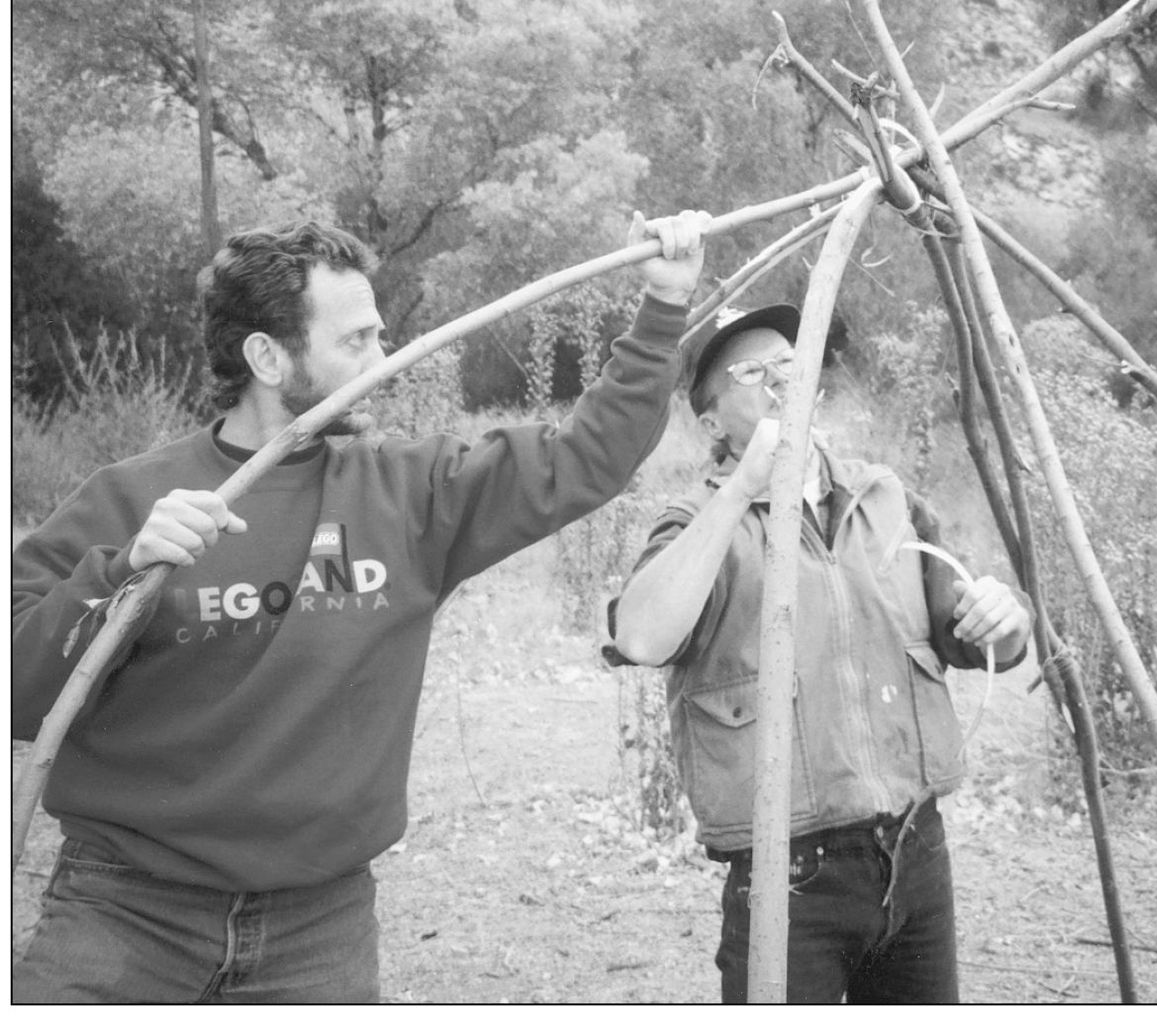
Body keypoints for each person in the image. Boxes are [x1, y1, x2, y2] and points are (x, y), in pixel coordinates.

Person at [11, 208, 711, 1003]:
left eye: (381, 334)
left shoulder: (412, 492)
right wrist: (125, 572)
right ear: (267, 356)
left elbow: (586, 458)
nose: (387, 361)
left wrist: (663, 305)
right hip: (127, 909)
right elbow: (18, 690)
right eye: (356, 342)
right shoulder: (129, 500)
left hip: (320, 922)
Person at [606, 303, 1033, 1004]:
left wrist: (1005, 619)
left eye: (788, 363)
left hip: (916, 854)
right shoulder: (698, 525)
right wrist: (747, 484)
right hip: (786, 878)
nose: (778, 379)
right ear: (712, 424)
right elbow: (641, 636)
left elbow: (983, 639)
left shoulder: (884, 496)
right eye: (751, 371)